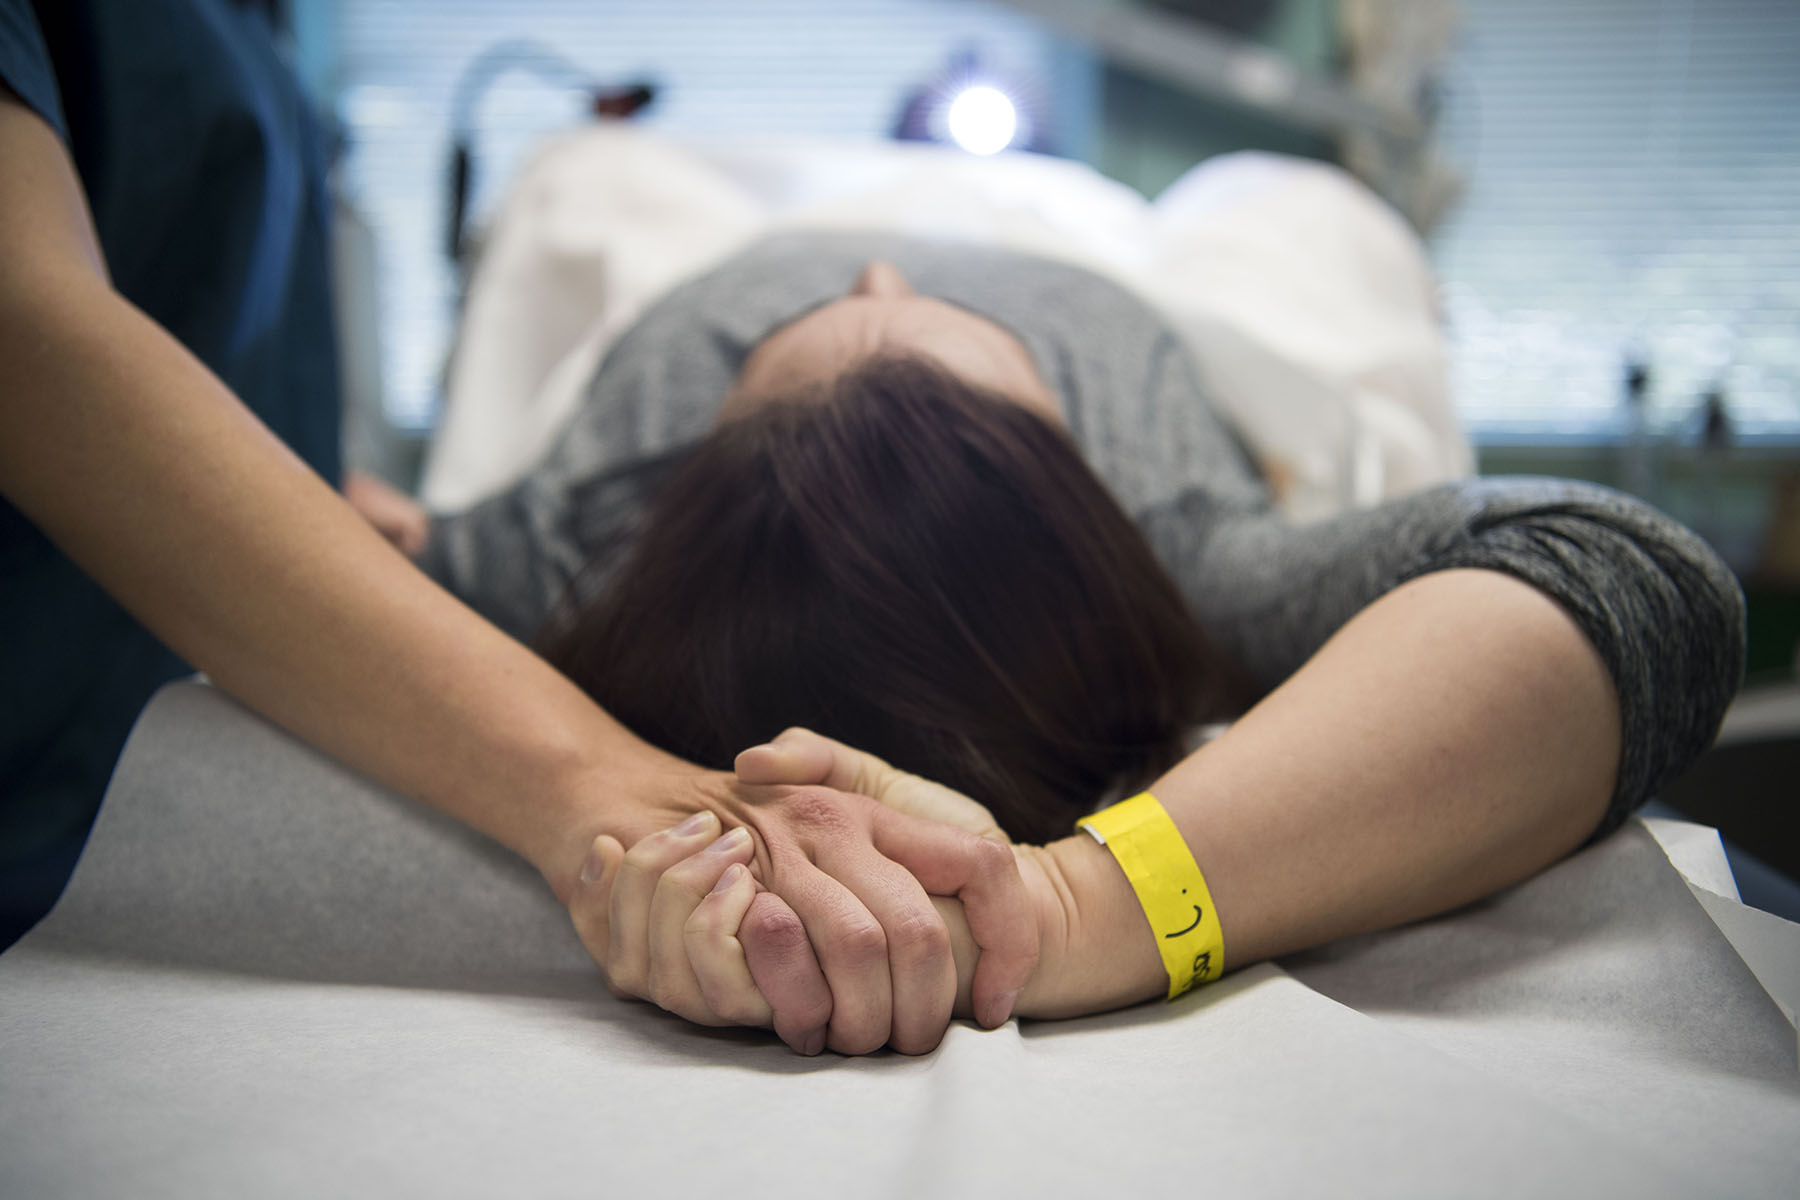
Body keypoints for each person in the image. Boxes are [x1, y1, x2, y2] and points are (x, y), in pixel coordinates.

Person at [0, 0, 1039, 1058]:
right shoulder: (578, 524)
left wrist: (306, 490)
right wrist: (619, 788)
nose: (876, 278)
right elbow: (21, 325)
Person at [406, 232, 1745, 1026]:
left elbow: (1624, 577)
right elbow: (1631, 576)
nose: (882, 262)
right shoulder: (1183, 544)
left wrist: (1061, 907)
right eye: (855, 308)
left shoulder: (570, 544)